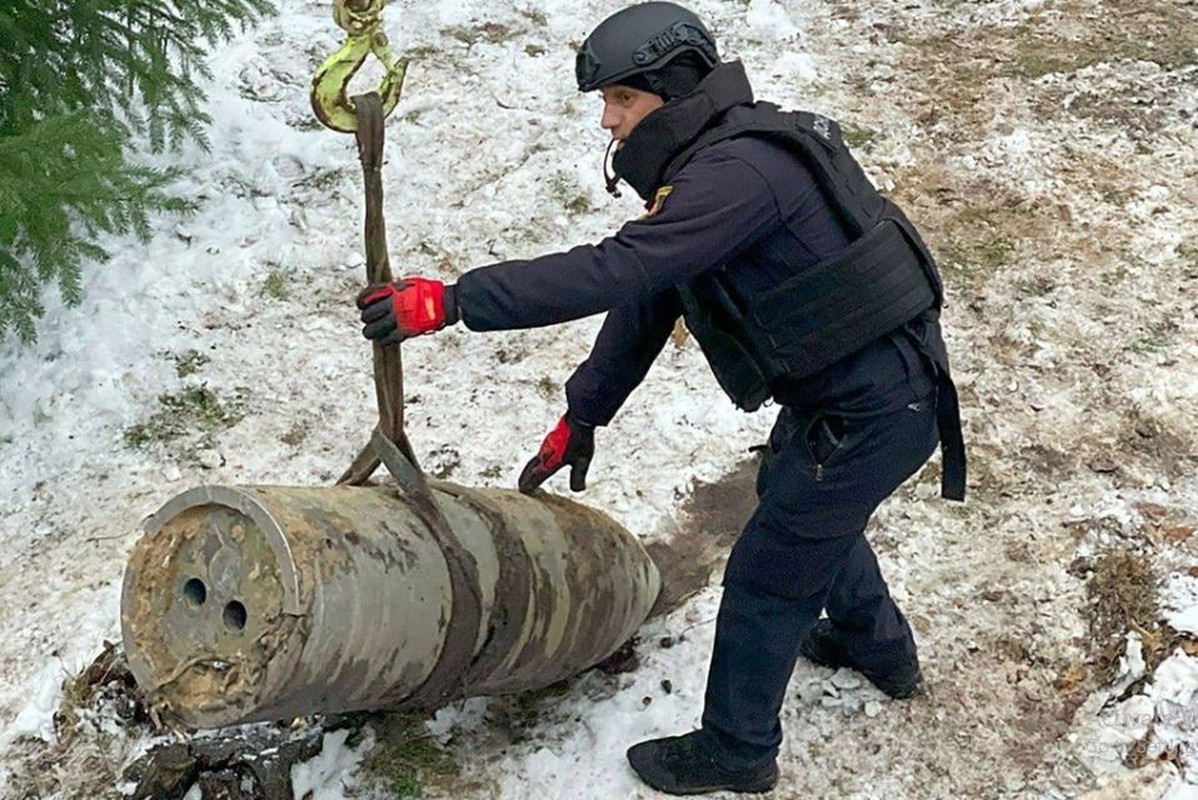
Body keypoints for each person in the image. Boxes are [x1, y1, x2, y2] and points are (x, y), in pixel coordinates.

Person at [356, 1, 966, 794]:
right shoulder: (717, 164)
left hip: (875, 408)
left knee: (769, 576)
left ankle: (739, 750)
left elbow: (615, 270)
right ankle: (877, 648)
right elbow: (652, 294)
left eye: (621, 101)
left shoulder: (738, 177)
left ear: (672, 91)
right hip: (857, 396)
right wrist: (585, 412)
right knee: (801, 504)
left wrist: (454, 300)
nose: (608, 123)